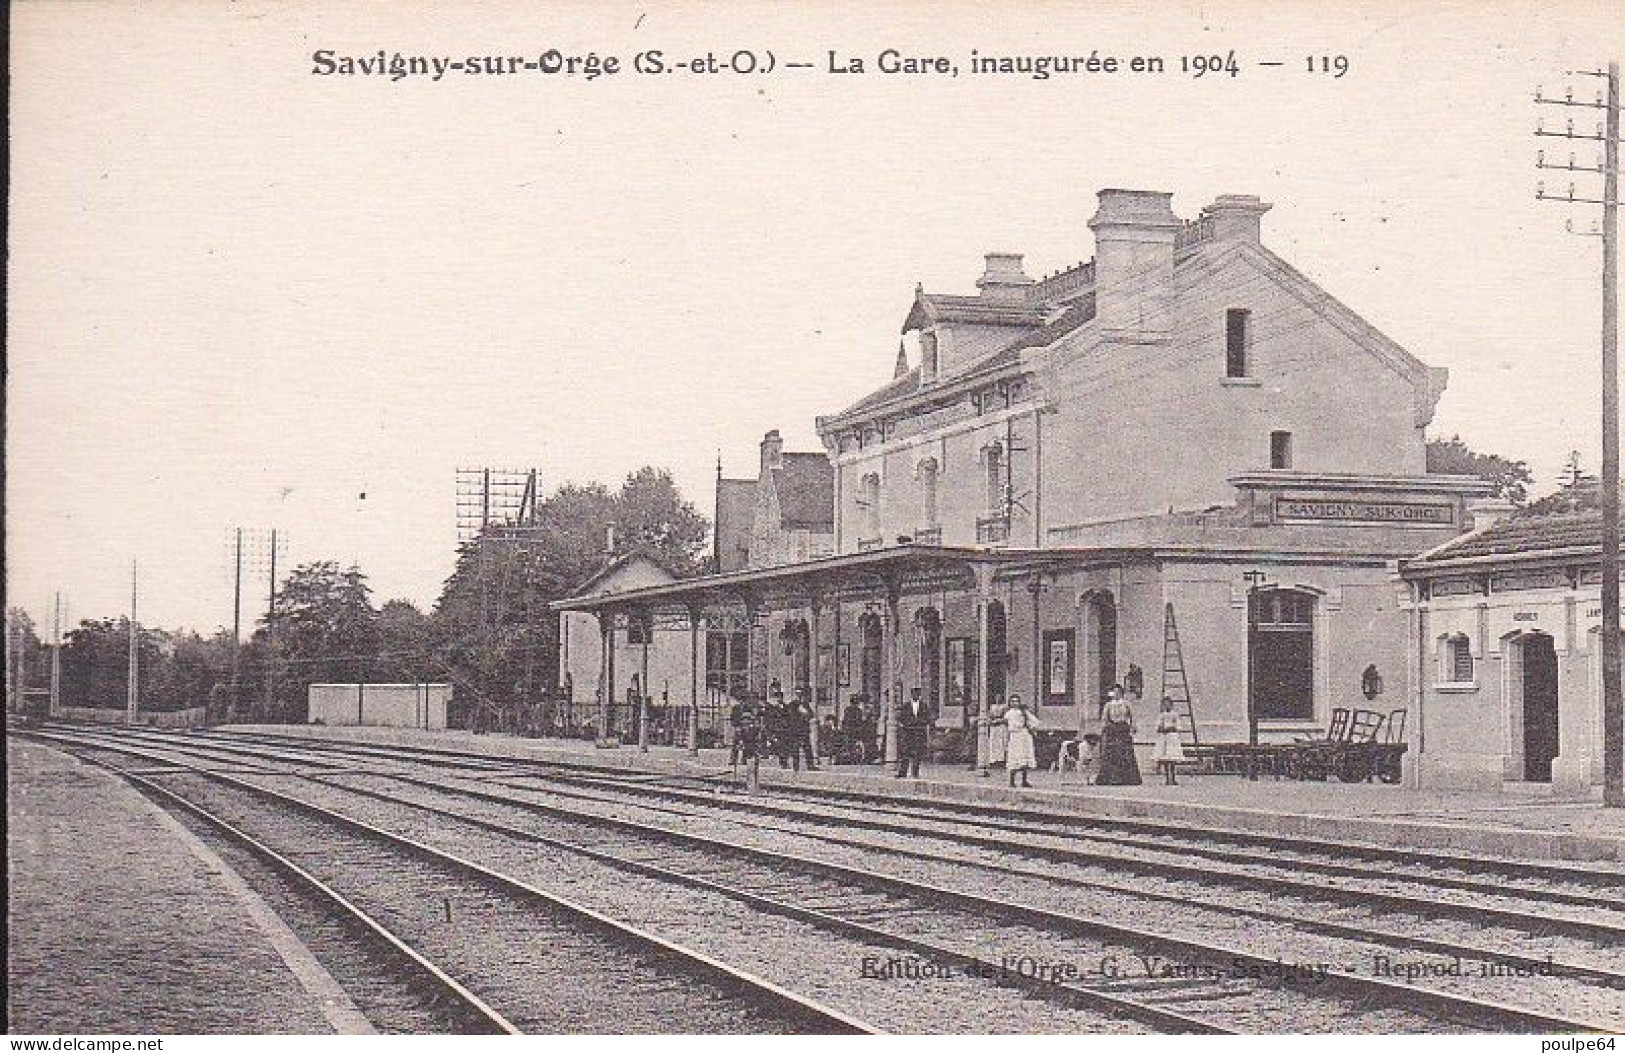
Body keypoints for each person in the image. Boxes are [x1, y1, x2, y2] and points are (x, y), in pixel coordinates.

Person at [1095, 684, 1143, 785]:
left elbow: (1132, 716)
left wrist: (1133, 727)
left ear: (1121, 693)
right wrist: (1103, 729)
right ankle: (1111, 778)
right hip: (1112, 730)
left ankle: (1128, 779)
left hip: (1123, 729)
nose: (1116, 694)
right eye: (1114, 692)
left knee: (1125, 753)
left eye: (1118, 692)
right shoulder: (1108, 705)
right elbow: (1104, 718)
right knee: (1112, 753)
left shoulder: (1126, 704)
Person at [895, 686, 932, 778]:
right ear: (911, 695)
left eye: (918, 694)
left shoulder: (924, 706)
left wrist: (919, 723)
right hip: (908, 732)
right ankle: (902, 773)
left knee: (918, 753)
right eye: (914, 693)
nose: (916, 695)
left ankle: (915, 773)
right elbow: (900, 718)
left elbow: (928, 718)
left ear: (919, 695)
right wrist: (909, 723)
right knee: (905, 752)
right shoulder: (905, 706)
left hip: (919, 732)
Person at [1003, 693, 1038, 788]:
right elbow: (1007, 723)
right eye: (1013, 701)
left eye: (1017, 701)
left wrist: (1030, 727)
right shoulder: (1008, 713)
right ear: (1010, 703)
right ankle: (1011, 781)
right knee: (1014, 757)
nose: (1015, 703)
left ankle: (1024, 780)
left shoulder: (1024, 712)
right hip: (1015, 736)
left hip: (1024, 735)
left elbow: (1034, 721)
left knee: (1024, 758)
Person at [1154, 695, 1186, 785]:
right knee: (1165, 758)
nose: (1166, 706)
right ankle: (1167, 778)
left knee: (1172, 757)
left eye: (1168, 704)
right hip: (1164, 737)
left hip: (1172, 737)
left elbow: (1179, 726)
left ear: (1171, 705)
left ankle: (1173, 778)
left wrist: (1172, 727)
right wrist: (1161, 728)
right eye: (1165, 704)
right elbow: (1157, 726)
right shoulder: (1162, 715)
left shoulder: (1174, 715)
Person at [788, 688, 817, 771]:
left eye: (801, 694)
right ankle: (796, 766)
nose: (799, 696)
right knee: (795, 748)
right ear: (795, 695)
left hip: (804, 729)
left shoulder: (805, 704)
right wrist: (800, 712)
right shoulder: (792, 705)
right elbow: (791, 717)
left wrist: (806, 712)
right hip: (796, 729)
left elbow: (811, 714)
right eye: (797, 694)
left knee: (807, 747)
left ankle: (810, 765)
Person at [840, 695, 867, 763]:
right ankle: (853, 757)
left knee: (848, 744)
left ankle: (849, 756)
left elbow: (844, 720)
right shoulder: (858, 710)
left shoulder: (847, 709)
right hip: (854, 730)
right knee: (854, 743)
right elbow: (859, 721)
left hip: (848, 729)